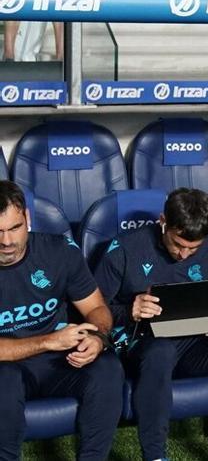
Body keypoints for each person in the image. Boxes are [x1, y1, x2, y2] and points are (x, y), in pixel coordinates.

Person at [93, 189, 208, 461]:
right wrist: (128, 311)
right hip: (141, 341)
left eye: (193, 248)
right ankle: (156, 455)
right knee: (161, 351)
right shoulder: (124, 249)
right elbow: (92, 311)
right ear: (162, 221)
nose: (183, 254)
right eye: (178, 244)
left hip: (196, 343)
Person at [0, 180, 123, 460]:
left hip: (58, 362)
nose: (7, 241)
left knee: (107, 368)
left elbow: (97, 309)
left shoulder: (59, 251)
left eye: (14, 228)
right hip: (8, 367)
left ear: (27, 219)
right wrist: (47, 341)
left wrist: (98, 338)